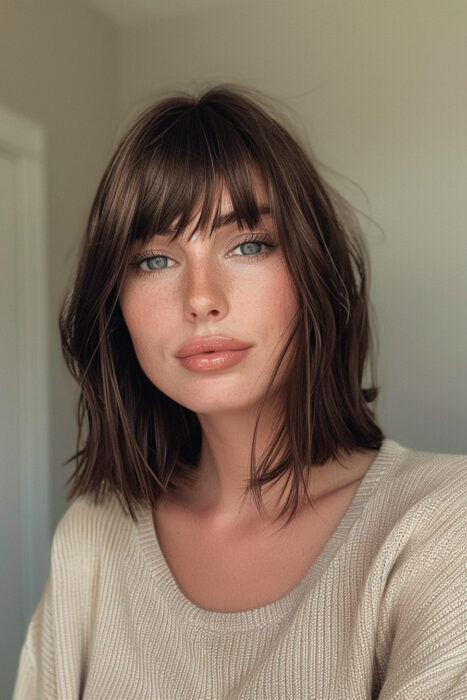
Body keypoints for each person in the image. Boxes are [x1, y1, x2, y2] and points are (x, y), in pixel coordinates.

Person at [13, 85, 466, 699]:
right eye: (153, 259)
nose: (201, 297)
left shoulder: (440, 525)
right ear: (114, 306)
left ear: (314, 271)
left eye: (248, 244)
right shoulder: (93, 537)